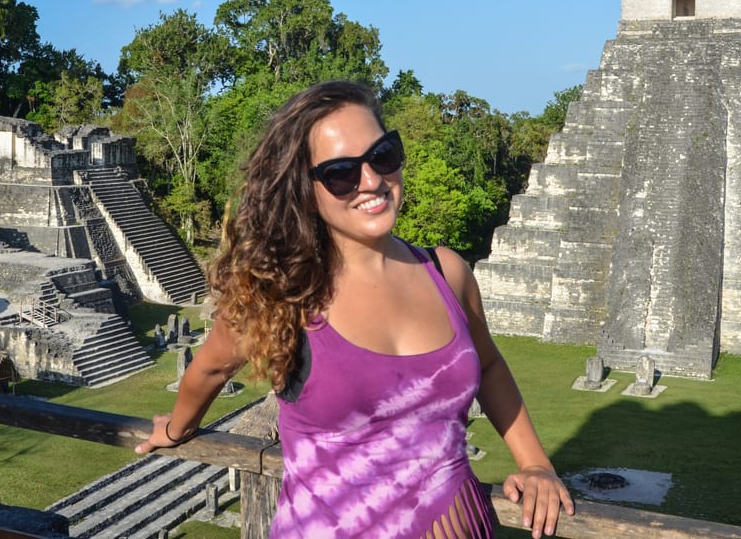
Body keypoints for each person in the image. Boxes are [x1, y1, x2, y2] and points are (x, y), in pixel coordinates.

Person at [135, 80, 574, 538]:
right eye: (341, 173)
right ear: (305, 190)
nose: (371, 181)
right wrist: (176, 429)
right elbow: (209, 369)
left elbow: (488, 365)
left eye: (382, 155)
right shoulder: (283, 294)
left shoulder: (447, 273)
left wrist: (536, 463)